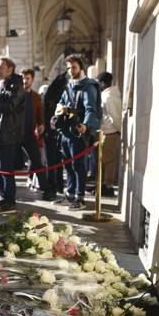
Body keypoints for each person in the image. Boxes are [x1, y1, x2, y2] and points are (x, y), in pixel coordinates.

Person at [54, 54, 100, 211]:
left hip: (78, 133)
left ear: (81, 67)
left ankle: (80, 198)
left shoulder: (88, 86)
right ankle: (70, 195)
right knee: (68, 165)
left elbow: (91, 109)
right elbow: (60, 102)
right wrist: (60, 109)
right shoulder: (68, 86)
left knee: (79, 166)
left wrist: (86, 126)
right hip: (65, 133)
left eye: (73, 67)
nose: (70, 71)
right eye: (68, 68)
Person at [0, 57, 27, 214]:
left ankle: (10, 201)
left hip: (9, 133)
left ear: (10, 69)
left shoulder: (16, 85)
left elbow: (10, 106)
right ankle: (3, 198)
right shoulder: (0, 84)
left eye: (1, 68)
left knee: (6, 169)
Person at [21, 68, 56, 200]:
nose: (25, 81)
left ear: (32, 80)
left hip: (29, 135)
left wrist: (41, 124)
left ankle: (46, 190)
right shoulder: (16, 94)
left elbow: (40, 113)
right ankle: (7, 195)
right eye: (23, 78)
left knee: (37, 162)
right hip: (14, 135)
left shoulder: (35, 97)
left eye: (28, 78)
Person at [96, 71, 122, 197]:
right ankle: (103, 185)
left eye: (98, 83)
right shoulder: (106, 95)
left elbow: (115, 117)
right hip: (105, 131)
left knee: (108, 161)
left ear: (103, 83)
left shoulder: (110, 97)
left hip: (111, 132)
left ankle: (108, 186)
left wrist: (119, 131)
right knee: (103, 160)